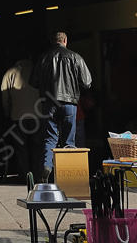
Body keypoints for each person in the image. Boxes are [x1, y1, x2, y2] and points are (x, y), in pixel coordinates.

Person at [31, 31, 92, 181]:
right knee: (69, 141)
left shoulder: (44, 58)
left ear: (53, 42)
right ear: (65, 40)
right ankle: (68, 177)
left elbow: (33, 81)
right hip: (69, 103)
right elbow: (87, 82)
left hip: (49, 103)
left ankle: (47, 166)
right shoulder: (75, 56)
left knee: (50, 138)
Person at [0, 57, 40, 181]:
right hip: (37, 115)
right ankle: (38, 174)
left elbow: (4, 95)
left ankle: (24, 175)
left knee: (21, 148)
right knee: (37, 147)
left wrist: (7, 111)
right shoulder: (37, 71)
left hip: (17, 116)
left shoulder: (10, 73)